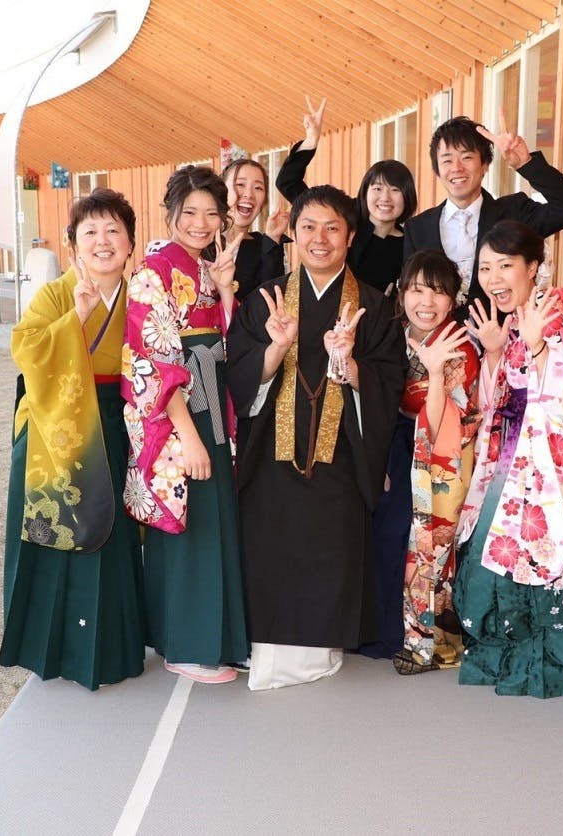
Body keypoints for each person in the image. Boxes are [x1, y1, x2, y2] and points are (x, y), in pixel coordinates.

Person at [226, 184, 406, 690]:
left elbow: (389, 382)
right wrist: (275, 349)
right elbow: (237, 374)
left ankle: (321, 648)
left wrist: (349, 363)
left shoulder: (373, 307)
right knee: (270, 550)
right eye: (308, 227)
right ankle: (265, 648)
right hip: (271, 456)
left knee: (331, 550)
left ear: (351, 236)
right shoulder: (266, 300)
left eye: (332, 228)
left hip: (341, 458)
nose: (319, 238)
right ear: (293, 234)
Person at [455, 220, 563, 704]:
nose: (493, 278)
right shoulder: (515, 319)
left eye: (505, 265)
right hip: (518, 450)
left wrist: (539, 346)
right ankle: (512, 649)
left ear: (533, 267)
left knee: (552, 555)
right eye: (486, 268)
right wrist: (495, 350)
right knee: (498, 549)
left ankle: (552, 662)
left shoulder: (557, 318)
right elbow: (503, 393)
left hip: (555, 459)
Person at [0, 188, 146, 690]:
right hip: (54, 428)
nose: (103, 241)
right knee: (54, 536)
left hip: (114, 422)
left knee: (110, 534)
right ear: (73, 245)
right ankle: (48, 650)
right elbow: (27, 352)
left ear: (130, 243)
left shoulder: (141, 296)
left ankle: (110, 650)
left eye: (113, 231)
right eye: (90, 232)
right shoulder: (56, 295)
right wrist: (76, 318)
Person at [122, 165, 249, 685]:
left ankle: (218, 639)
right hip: (179, 412)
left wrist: (224, 290)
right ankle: (184, 645)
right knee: (188, 522)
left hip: (212, 399)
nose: (200, 223)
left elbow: (226, 339)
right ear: (169, 213)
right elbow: (154, 360)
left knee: (214, 518)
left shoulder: (202, 268)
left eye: (211, 214)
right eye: (190, 212)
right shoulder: (153, 272)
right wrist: (189, 437)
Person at [376, 249, 482, 674]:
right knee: (392, 534)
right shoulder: (394, 334)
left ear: (453, 299)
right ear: (402, 293)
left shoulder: (459, 347)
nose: (426, 302)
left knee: (430, 543)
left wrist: (435, 373)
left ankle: (430, 642)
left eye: (438, 292)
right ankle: (392, 630)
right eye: (417, 290)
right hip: (399, 439)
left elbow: (436, 425)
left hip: (441, 449)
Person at [402, 113, 563, 315]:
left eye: (466, 157)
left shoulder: (514, 211)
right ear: (437, 170)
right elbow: (410, 291)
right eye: (447, 160)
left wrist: (525, 163)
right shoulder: (417, 228)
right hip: (441, 335)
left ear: (485, 164)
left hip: (510, 332)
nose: (457, 168)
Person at [277, 97, 417, 296]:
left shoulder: (408, 243)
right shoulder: (341, 213)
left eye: (395, 190)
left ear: (407, 196)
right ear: (365, 191)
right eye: (377, 188)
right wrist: (311, 140)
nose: (385, 198)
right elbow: (287, 182)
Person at [221, 157, 290, 301]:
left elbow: (271, 299)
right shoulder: (201, 240)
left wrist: (273, 238)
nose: (249, 194)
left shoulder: (263, 247)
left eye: (258, 188)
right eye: (240, 184)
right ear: (221, 190)